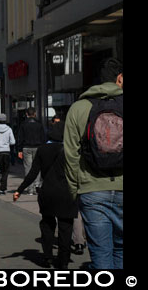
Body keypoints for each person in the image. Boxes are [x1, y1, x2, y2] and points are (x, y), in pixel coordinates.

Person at [64, 57, 123, 269]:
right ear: (120, 78)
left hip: (91, 190)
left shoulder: (79, 108)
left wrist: (75, 190)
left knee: (101, 254)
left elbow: (71, 155)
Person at [14, 121, 77, 269]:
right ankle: (64, 260)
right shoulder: (70, 149)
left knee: (47, 226)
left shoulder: (42, 149)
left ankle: (48, 257)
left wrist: (20, 189)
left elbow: (33, 173)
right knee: (65, 228)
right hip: (67, 192)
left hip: (47, 192)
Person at [17, 108, 46, 195]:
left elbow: (20, 137)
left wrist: (19, 150)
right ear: (35, 114)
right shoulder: (39, 124)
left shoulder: (23, 124)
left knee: (28, 168)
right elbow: (43, 137)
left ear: (26, 114)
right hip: (38, 147)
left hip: (26, 148)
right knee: (37, 168)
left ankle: (30, 188)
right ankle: (37, 187)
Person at [0, 113, 16, 195]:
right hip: (6, 151)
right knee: (5, 171)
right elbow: (13, 141)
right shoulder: (9, 129)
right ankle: (3, 189)